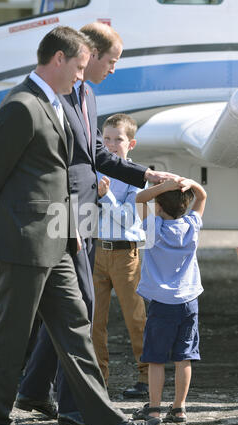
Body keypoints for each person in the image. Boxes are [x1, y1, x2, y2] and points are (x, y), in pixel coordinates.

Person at [0, 26, 161, 425]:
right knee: (11, 336)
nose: (81, 75)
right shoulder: (22, 105)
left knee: (76, 328)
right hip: (23, 240)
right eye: (77, 66)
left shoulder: (55, 102)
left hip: (57, 239)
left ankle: (104, 422)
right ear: (58, 59)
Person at [15, 21, 179, 425]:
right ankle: (71, 405)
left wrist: (145, 176)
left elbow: (96, 157)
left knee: (69, 307)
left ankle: (36, 388)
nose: (114, 68)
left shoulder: (87, 95)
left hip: (82, 218)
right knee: (81, 309)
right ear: (91, 54)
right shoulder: (55, 95)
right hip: (65, 216)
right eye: (113, 60)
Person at [132, 176, 207, 423]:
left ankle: (154, 408)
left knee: (155, 358)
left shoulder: (153, 229)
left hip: (162, 303)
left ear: (159, 206)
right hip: (188, 301)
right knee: (183, 357)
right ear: (185, 205)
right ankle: (179, 408)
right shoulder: (192, 226)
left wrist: (163, 186)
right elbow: (202, 196)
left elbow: (139, 198)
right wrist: (190, 184)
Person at [92, 113, 148, 397]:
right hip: (96, 252)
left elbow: (129, 219)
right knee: (93, 321)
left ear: (132, 143)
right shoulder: (93, 171)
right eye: (106, 138)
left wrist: (105, 196)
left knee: (135, 319)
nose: (111, 145)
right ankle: (98, 378)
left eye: (119, 139)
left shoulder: (138, 177)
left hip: (126, 256)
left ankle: (147, 376)